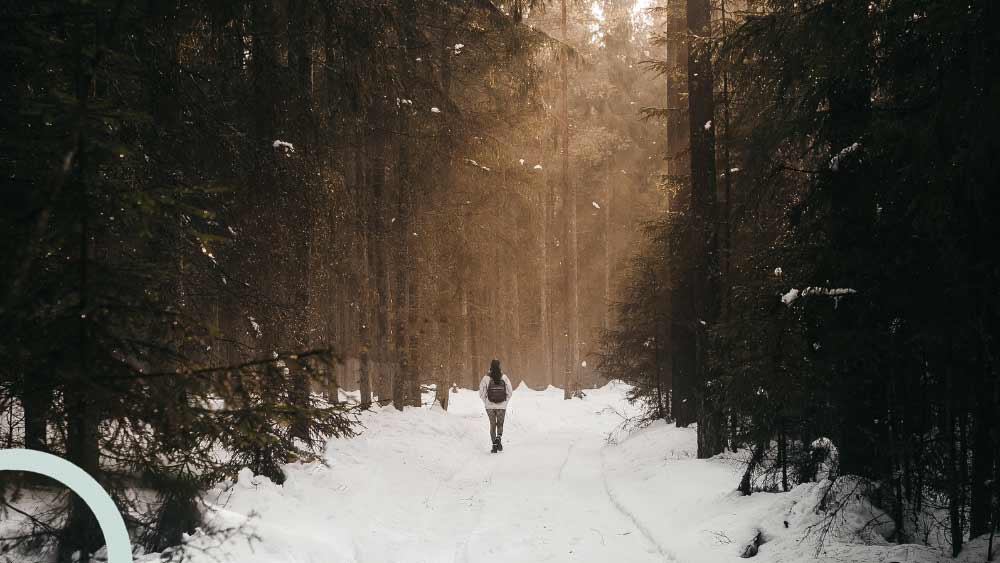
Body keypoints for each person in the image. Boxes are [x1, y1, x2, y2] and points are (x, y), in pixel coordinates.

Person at [478, 359, 513, 453]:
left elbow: (481, 392)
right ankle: (499, 437)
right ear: (499, 366)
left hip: (489, 406)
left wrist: (486, 401)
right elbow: (510, 392)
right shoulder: (504, 377)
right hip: (502, 406)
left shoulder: (486, 378)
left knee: (492, 425)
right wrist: (505, 402)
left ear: (491, 366)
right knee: (500, 424)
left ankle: (494, 445)